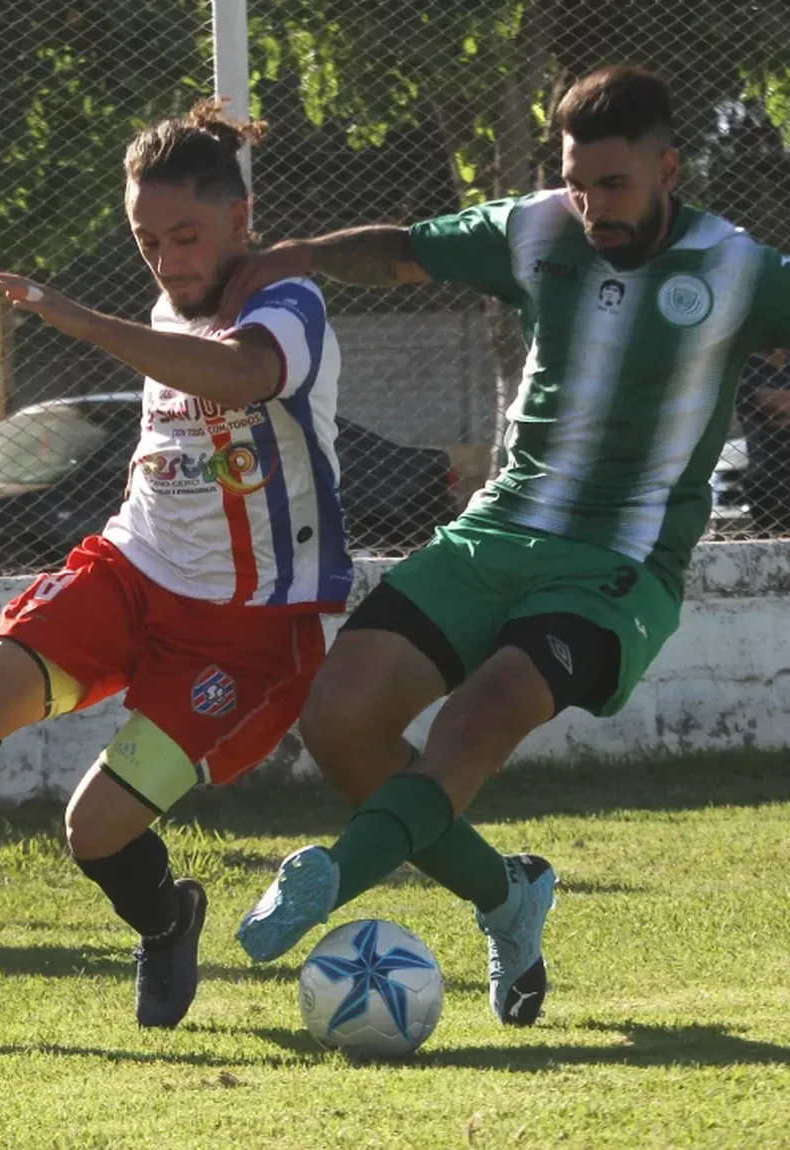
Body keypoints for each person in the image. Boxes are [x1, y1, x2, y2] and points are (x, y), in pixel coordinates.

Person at [218, 65, 790, 1027]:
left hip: (618, 565)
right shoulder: (539, 229)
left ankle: (327, 877)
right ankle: (506, 897)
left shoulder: (736, 271)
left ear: (668, 169)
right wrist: (297, 253)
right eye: (578, 181)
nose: (592, 206)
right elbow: (403, 253)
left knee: (478, 720)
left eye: (614, 185)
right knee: (341, 720)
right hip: (495, 531)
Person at [0, 102, 353, 1029]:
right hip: (130, 571)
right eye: (147, 239)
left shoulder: (288, 302)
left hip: (244, 623)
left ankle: (169, 918)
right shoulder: (169, 305)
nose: (169, 262)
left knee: (93, 833)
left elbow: (245, 377)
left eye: (186, 237)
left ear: (240, 223)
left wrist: (83, 323)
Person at [736, 349, 790, 534]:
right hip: (769, 474)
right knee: (772, 537)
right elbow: (768, 401)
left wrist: (778, 414)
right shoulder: (750, 365)